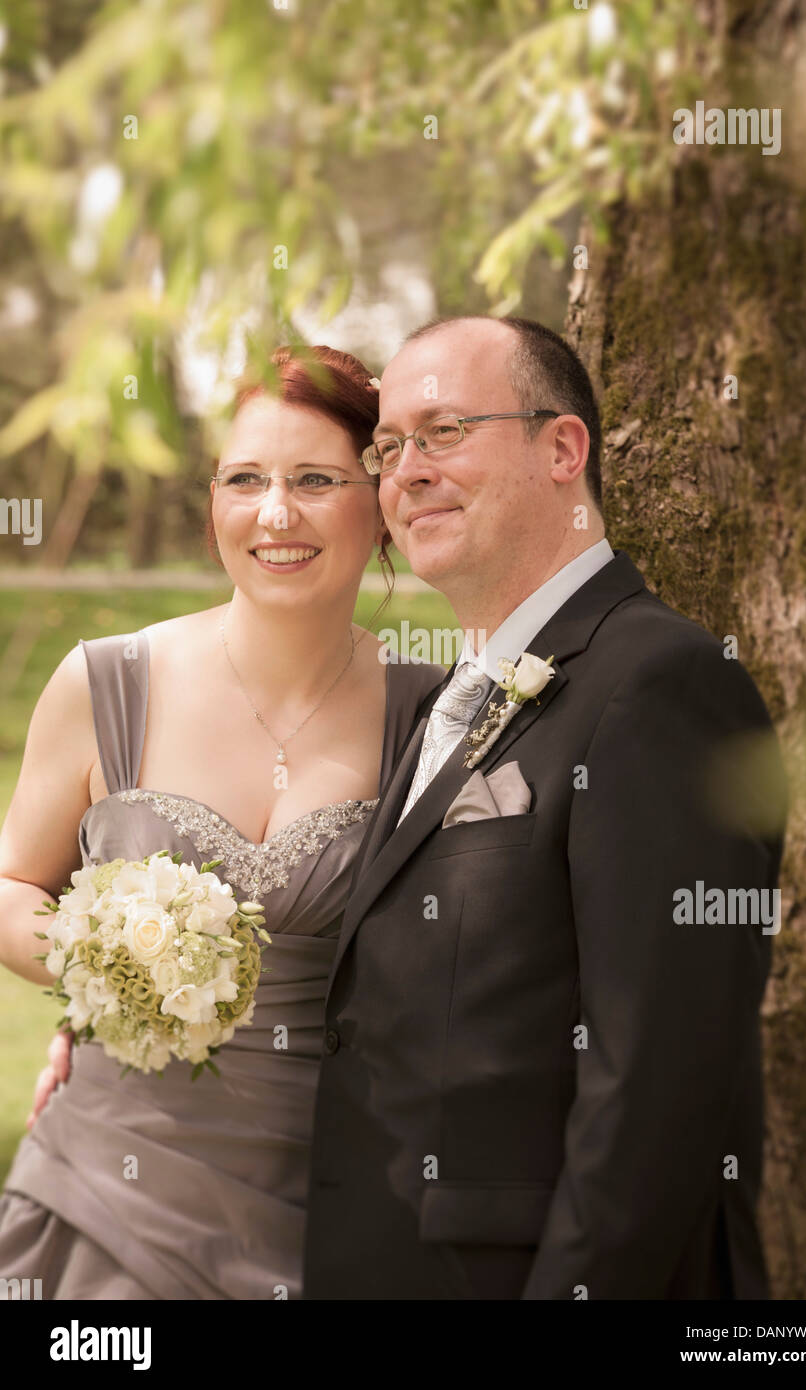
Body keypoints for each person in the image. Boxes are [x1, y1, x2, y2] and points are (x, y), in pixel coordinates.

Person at [301, 314, 787, 1299]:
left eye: (443, 432)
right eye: (388, 449)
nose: (405, 473)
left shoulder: (662, 686)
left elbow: (658, 1096)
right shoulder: (451, 694)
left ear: (563, 447)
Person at [0, 345, 445, 1299]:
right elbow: (11, 886)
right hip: (111, 1195)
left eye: (316, 480)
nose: (274, 513)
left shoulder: (432, 713)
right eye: (244, 479)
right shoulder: (107, 682)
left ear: (380, 504)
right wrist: (106, 962)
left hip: (337, 1205)